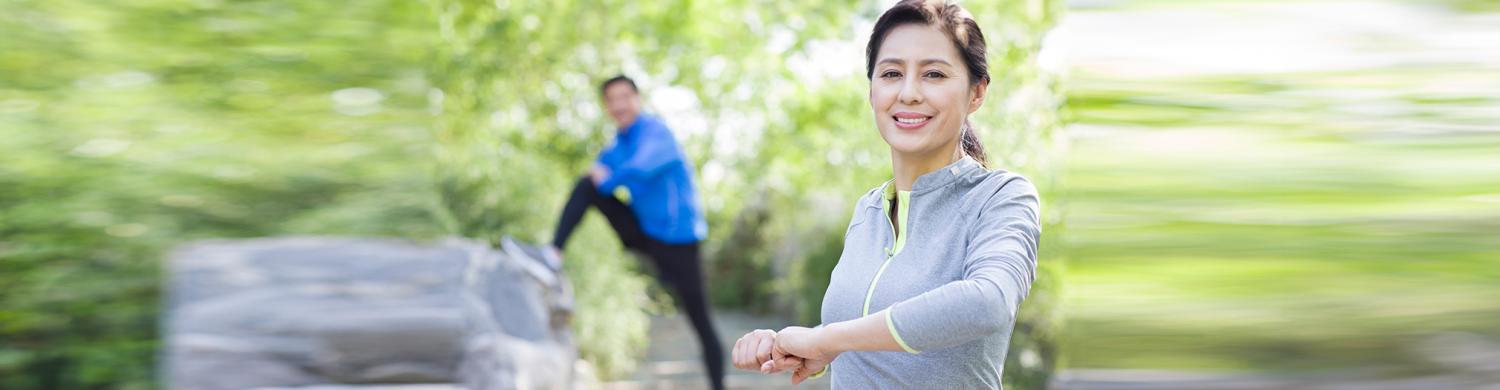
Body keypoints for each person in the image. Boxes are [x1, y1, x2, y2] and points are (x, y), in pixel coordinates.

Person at [729, 0, 1042, 388]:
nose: (908, 93)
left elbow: (988, 302)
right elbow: (857, 335)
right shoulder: (869, 209)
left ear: (976, 93)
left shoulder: (1001, 197)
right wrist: (795, 345)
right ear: (873, 91)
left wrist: (826, 338)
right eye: (892, 73)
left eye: (933, 74)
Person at [545, 75, 723, 389]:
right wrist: (600, 176)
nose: (619, 105)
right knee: (586, 186)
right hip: (643, 235)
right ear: (606, 106)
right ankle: (552, 253)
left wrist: (608, 177)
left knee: (701, 320)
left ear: (636, 99)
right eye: (611, 100)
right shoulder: (617, 145)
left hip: (679, 244)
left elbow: (641, 167)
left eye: (624, 97)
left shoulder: (657, 132)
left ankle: (718, 385)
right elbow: (595, 177)